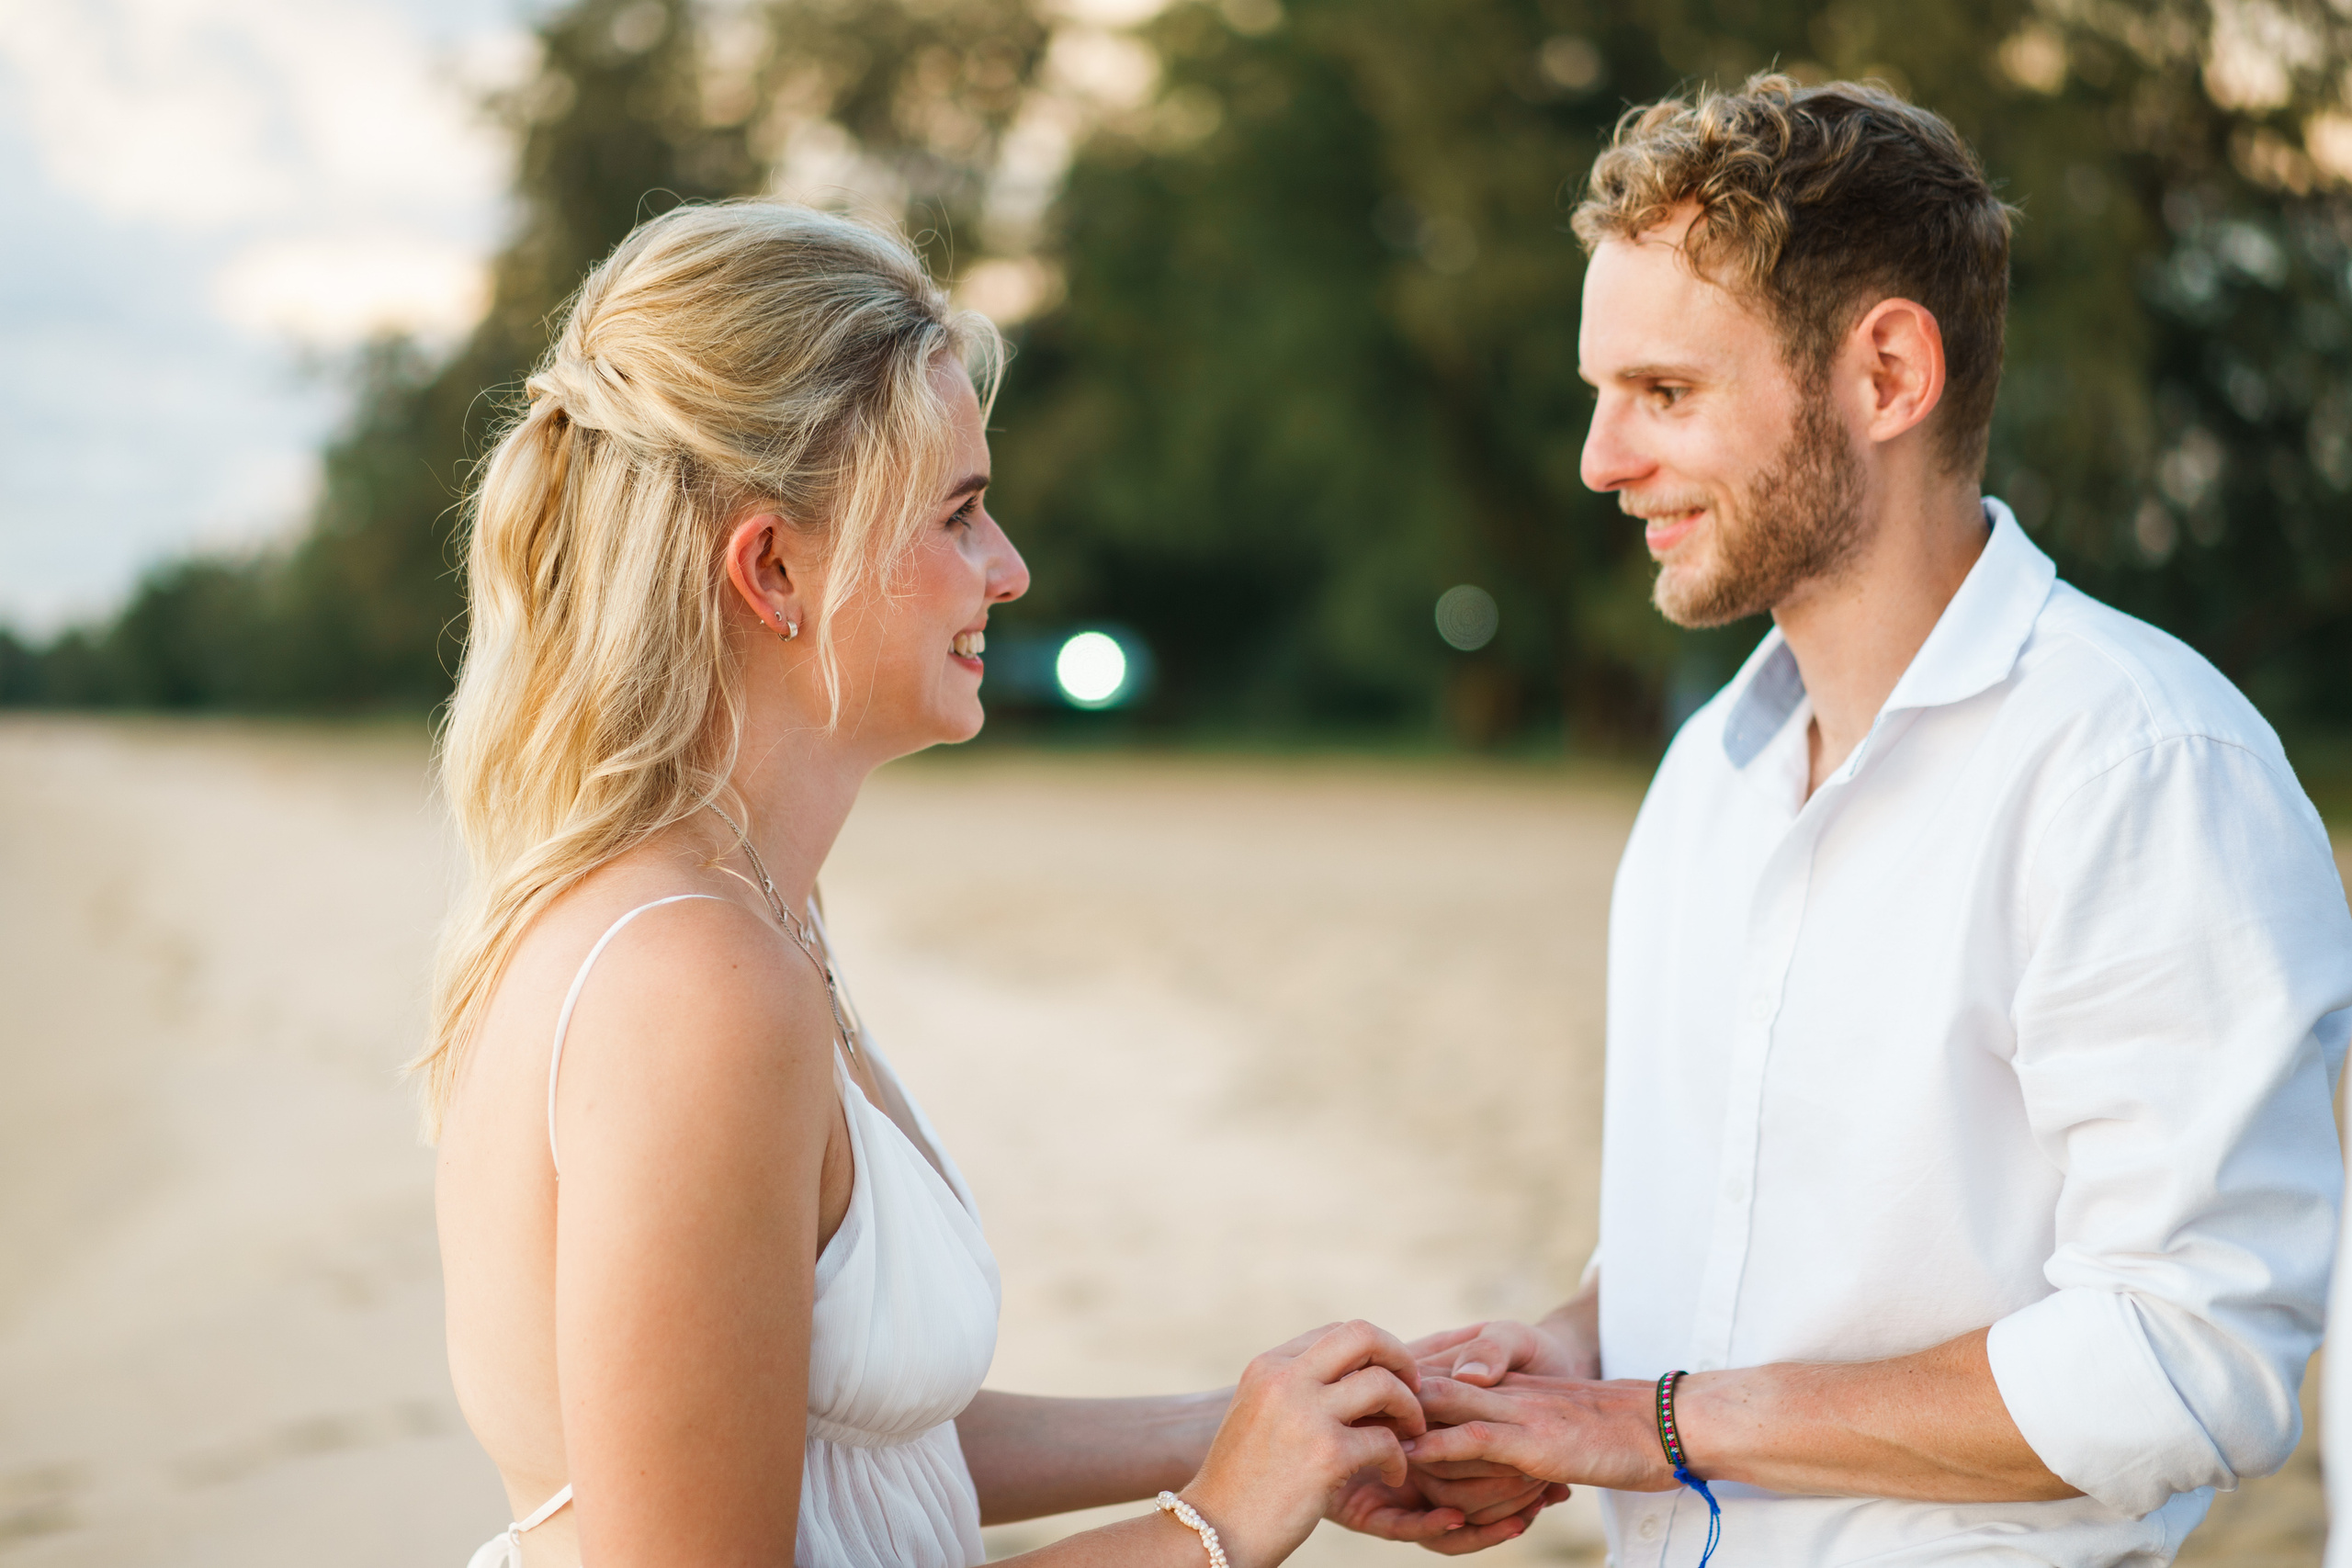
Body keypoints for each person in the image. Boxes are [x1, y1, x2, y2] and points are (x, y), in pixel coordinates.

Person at [420, 201, 1536, 1567]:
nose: (1007, 571)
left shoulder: (752, 918)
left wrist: (1267, 1423)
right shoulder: (691, 985)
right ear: (773, 569)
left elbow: (837, 1440)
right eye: (959, 514)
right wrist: (1220, 1523)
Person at [1381, 76, 2352, 1566]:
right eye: (1602, 393)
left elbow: (2187, 1364)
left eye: (1665, 393)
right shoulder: (1708, 772)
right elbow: (1733, 1251)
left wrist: (1647, 1421)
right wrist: (1561, 1360)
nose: (1600, 460)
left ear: (1888, 373)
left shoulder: (2143, 767)